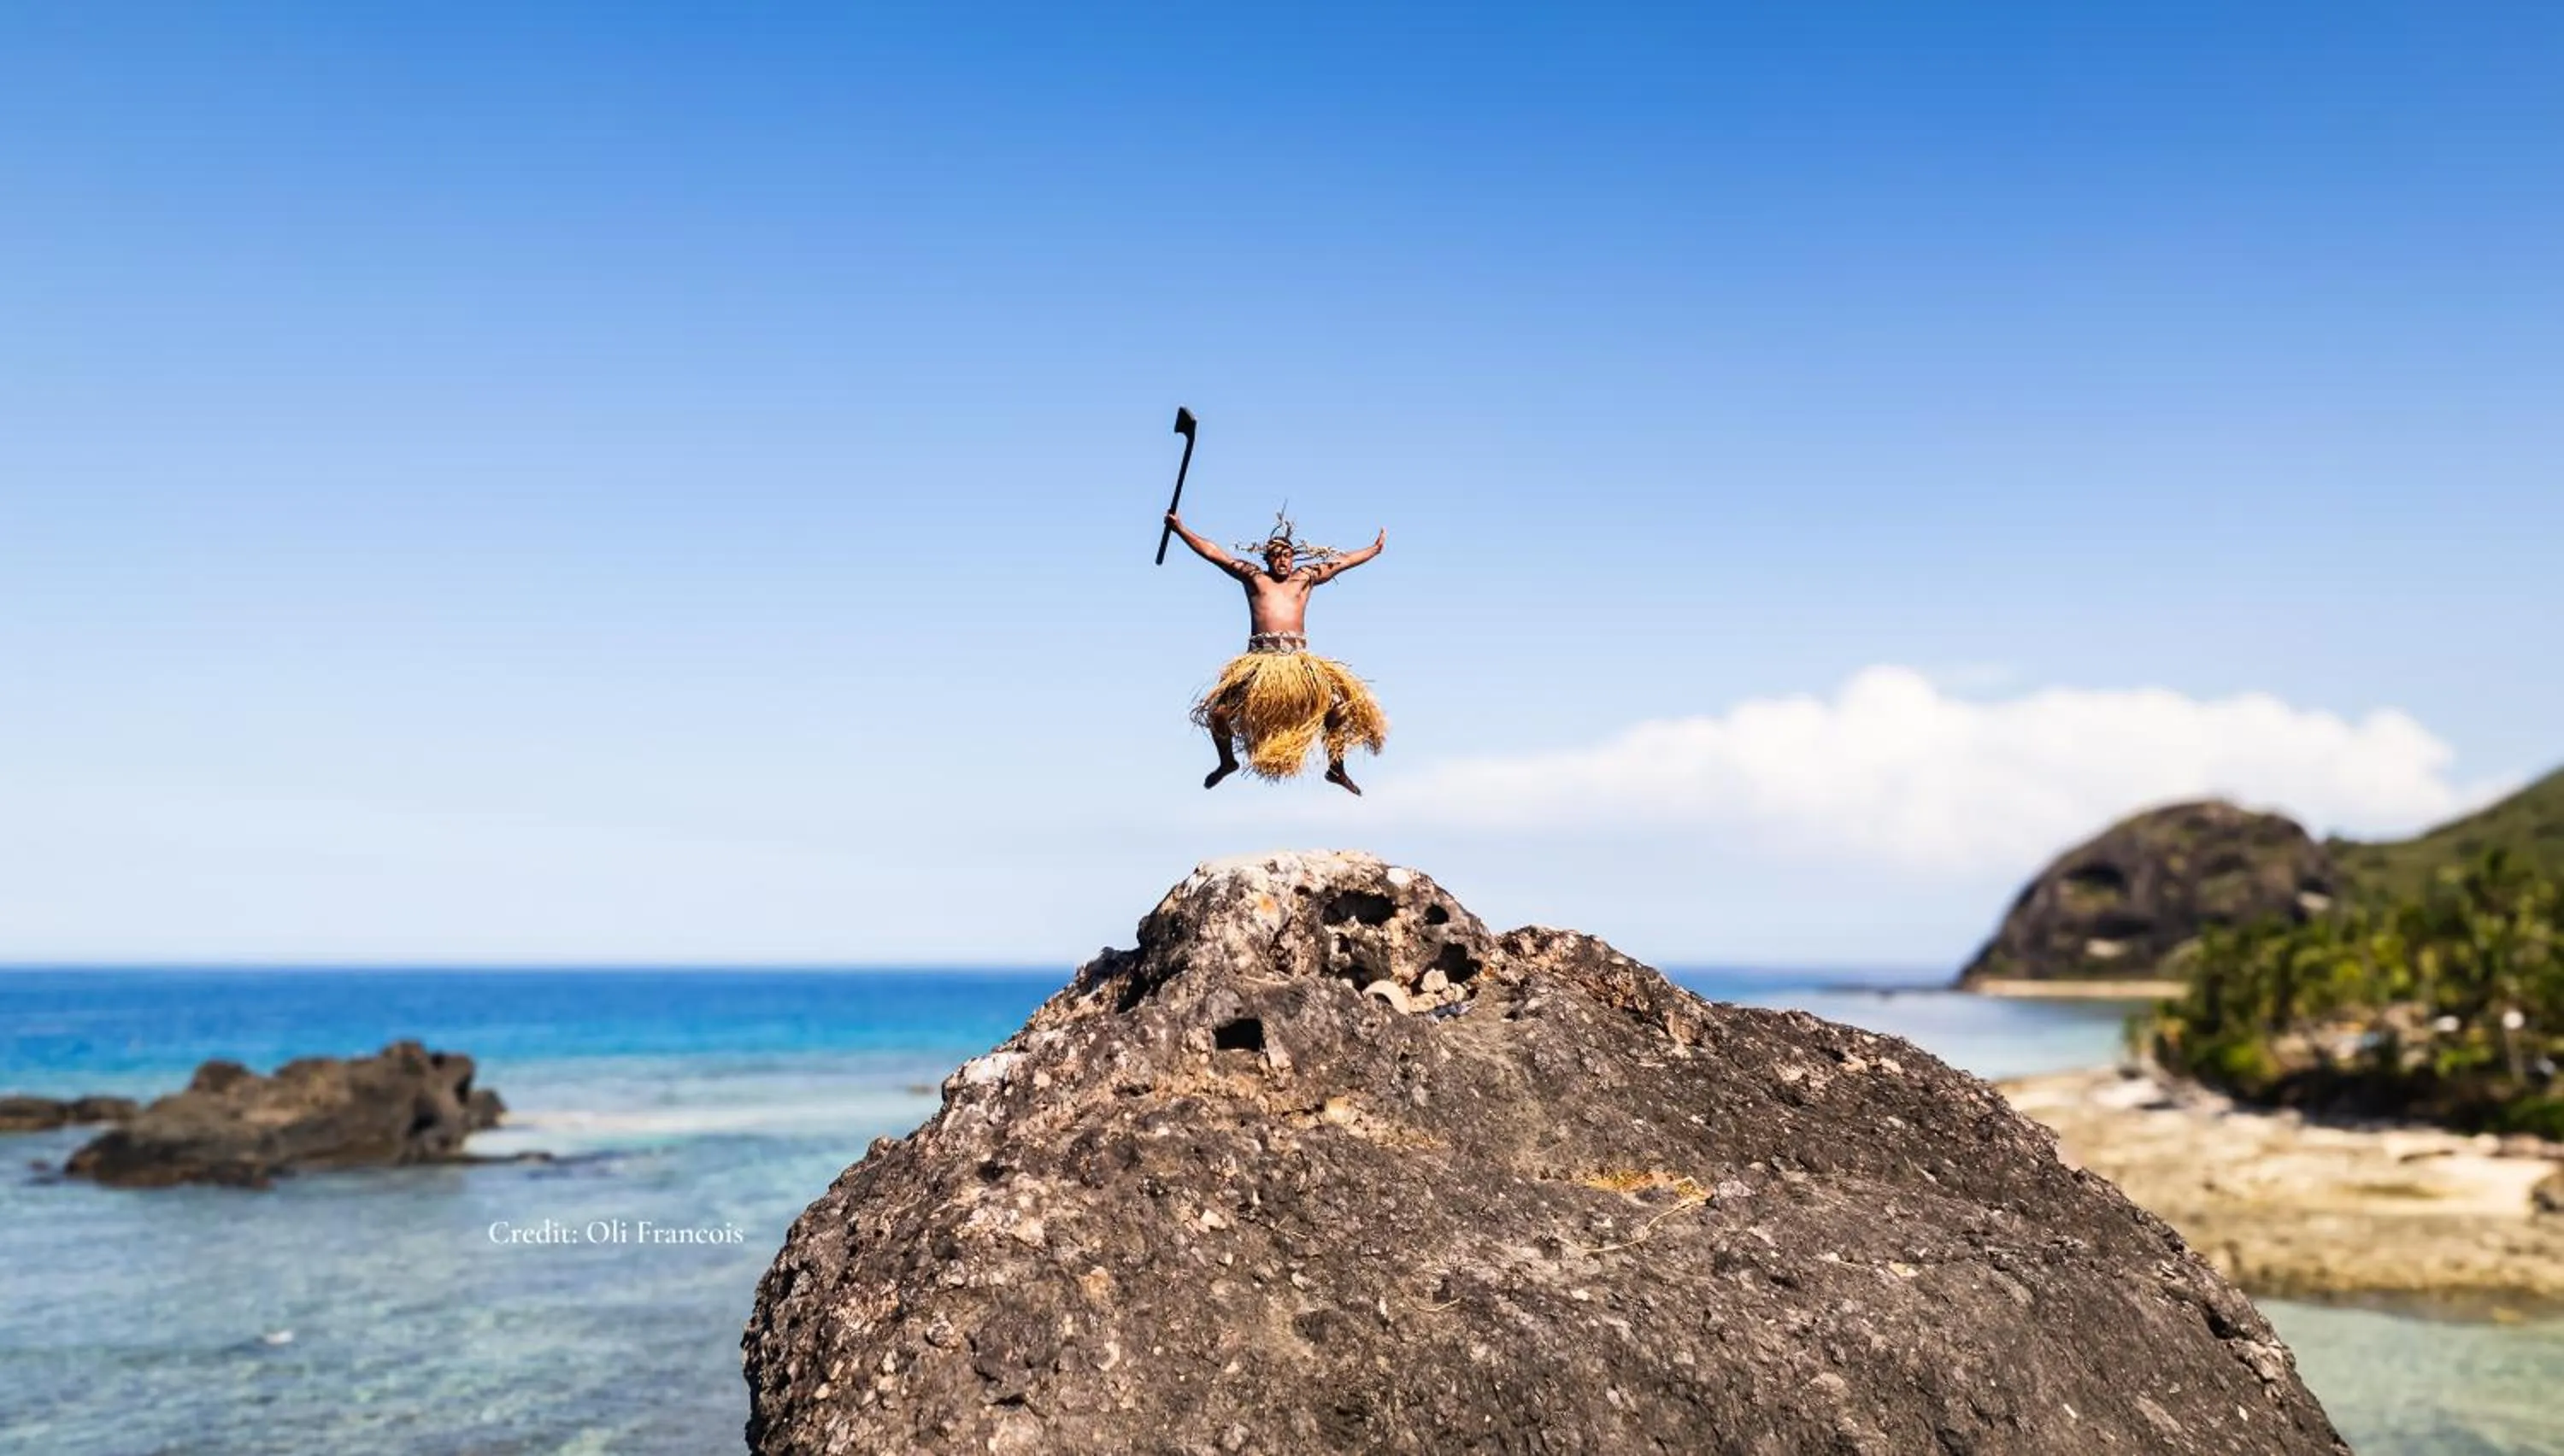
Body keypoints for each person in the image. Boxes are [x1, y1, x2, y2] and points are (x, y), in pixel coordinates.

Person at [1164, 509, 1387, 794]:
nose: (1282, 560)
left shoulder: (1305, 578)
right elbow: (1214, 553)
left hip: (1297, 663)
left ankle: (1336, 767)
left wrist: (1374, 550)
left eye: (1287, 555)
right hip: (1259, 663)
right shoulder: (1255, 578)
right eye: (1276, 555)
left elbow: (1341, 562)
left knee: (1338, 710)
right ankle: (1227, 761)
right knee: (1219, 712)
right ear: (1267, 559)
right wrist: (1180, 529)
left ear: (1293, 558)